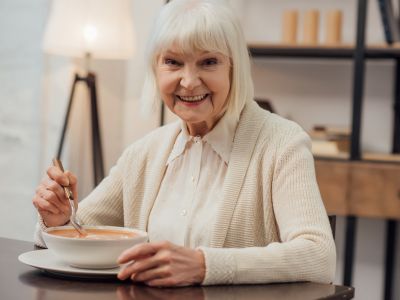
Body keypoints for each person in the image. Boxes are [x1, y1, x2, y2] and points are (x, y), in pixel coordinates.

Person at [32, 0, 336, 287]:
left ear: (234, 67)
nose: (189, 81)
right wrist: (58, 220)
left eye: (208, 62)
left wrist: (205, 265)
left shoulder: (282, 143)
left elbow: (318, 256)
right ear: (155, 69)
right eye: (173, 62)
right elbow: (81, 231)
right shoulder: (144, 153)